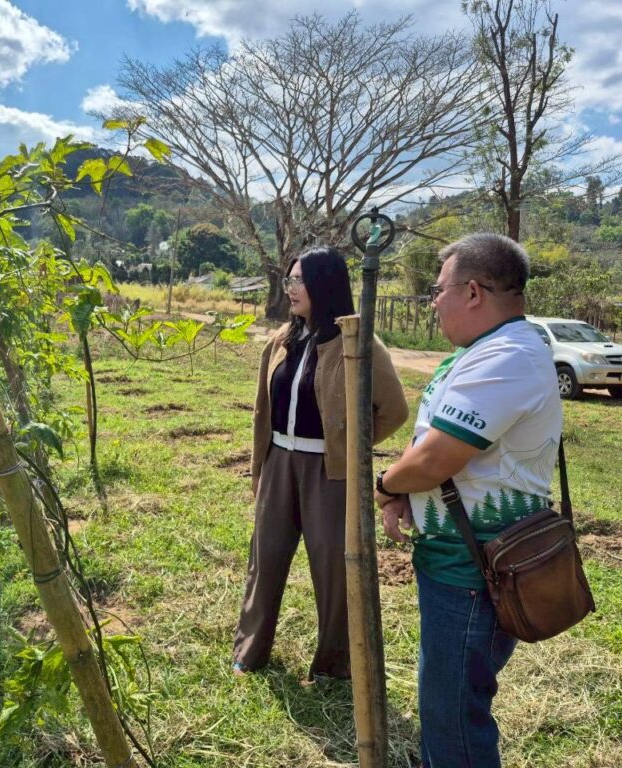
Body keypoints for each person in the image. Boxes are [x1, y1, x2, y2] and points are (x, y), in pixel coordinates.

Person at [375, 233, 563, 767]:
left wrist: (385, 486)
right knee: (447, 702)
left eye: (438, 290)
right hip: (459, 562)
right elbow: (430, 439)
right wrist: (406, 493)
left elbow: (439, 457)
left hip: (476, 574)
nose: (433, 303)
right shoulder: (481, 352)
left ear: (473, 291)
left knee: (454, 716)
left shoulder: (509, 357)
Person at [232, 246, 409, 681]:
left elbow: (394, 411)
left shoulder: (359, 344)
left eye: (300, 280)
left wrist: (346, 445)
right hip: (278, 462)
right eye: (289, 279)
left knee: (333, 568)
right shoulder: (282, 339)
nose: (291, 288)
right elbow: (262, 409)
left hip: (329, 472)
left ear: (324, 284)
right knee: (265, 559)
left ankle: (334, 664)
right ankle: (249, 652)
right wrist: (260, 468)